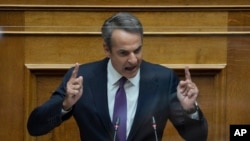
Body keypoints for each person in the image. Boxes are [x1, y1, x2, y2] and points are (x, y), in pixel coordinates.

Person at [27, 12, 208, 141]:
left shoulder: (163, 79)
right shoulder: (83, 78)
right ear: (107, 49)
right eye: (123, 53)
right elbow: (35, 127)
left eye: (137, 50)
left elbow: (198, 137)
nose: (133, 60)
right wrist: (66, 104)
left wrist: (190, 110)